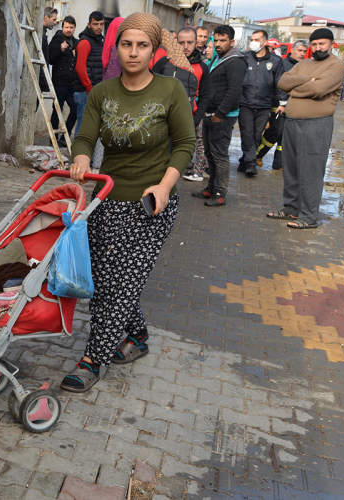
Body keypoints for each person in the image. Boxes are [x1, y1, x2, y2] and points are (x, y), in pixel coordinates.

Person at [62, 13, 195, 392]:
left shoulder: (170, 90)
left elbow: (185, 145)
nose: (133, 52)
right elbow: (85, 137)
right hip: (106, 200)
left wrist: (165, 186)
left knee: (118, 283)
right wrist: (83, 158)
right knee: (107, 279)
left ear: (154, 50)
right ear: (117, 47)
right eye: (126, 44)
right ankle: (136, 336)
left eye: (142, 45)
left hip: (151, 203)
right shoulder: (103, 93)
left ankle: (93, 358)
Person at [266, 28, 344, 229]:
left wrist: (297, 88)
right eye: (315, 44)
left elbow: (318, 89)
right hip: (292, 122)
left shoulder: (336, 66)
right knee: (291, 168)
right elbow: (282, 82)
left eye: (322, 44)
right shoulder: (303, 63)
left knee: (310, 170)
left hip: (316, 125)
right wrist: (305, 81)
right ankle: (291, 209)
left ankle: (309, 216)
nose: (318, 47)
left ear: (331, 44)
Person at [193, 25, 245, 207]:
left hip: (222, 116)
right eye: (216, 40)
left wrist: (220, 114)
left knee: (219, 155)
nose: (218, 44)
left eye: (223, 40)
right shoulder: (217, 59)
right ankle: (211, 187)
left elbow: (234, 91)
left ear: (232, 41)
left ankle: (220, 193)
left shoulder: (235, 61)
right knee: (209, 153)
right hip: (210, 113)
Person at [152, 27, 211, 182]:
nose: (185, 46)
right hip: (160, 119)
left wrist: (195, 121)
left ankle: (167, 188)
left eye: (190, 42)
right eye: (181, 42)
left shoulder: (202, 68)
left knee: (176, 159)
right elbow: (149, 85)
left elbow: (205, 97)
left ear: (196, 43)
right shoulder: (164, 62)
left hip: (186, 121)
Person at [236, 30, 286, 177]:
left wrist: (282, 102)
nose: (253, 42)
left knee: (257, 135)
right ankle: (251, 164)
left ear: (264, 42)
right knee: (247, 133)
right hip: (245, 103)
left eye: (257, 39)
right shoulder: (244, 58)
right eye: (252, 39)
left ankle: (244, 161)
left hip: (264, 105)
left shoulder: (275, 61)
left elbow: (279, 83)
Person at [257, 39, 308, 170]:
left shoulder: (306, 67)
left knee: (287, 136)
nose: (302, 53)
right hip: (278, 104)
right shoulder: (282, 64)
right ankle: (257, 154)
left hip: (296, 106)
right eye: (299, 50)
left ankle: (279, 163)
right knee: (276, 131)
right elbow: (276, 84)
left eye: (304, 51)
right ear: (292, 50)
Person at [74, 11, 106, 135]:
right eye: (95, 24)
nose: (99, 27)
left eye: (101, 24)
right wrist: (89, 87)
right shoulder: (85, 42)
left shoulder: (98, 41)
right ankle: (76, 153)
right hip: (85, 91)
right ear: (89, 25)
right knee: (83, 125)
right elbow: (80, 67)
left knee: (92, 125)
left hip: (93, 89)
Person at [49, 16, 79, 146]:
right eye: (66, 27)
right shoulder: (56, 40)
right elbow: (50, 59)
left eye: (71, 27)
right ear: (62, 28)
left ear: (74, 28)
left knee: (75, 110)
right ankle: (53, 139)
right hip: (59, 82)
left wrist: (76, 56)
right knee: (57, 111)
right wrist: (60, 50)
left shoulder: (77, 43)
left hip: (72, 84)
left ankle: (63, 138)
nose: (69, 30)